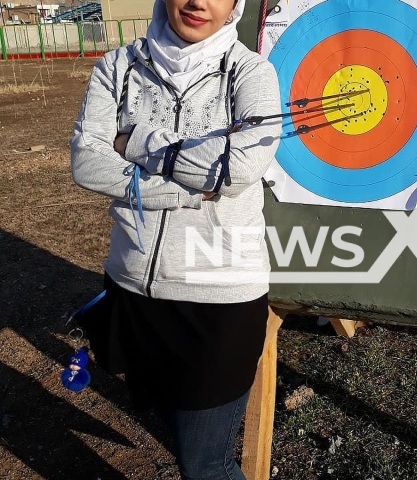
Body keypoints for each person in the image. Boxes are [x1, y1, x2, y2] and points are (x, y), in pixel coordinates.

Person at [70, 0, 282, 478]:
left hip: (219, 300)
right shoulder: (119, 66)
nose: (197, 2)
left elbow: (235, 169)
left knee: (204, 465)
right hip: (134, 286)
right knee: (166, 416)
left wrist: (136, 140)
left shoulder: (250, 73)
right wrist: (182, 192)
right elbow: (87, 161)